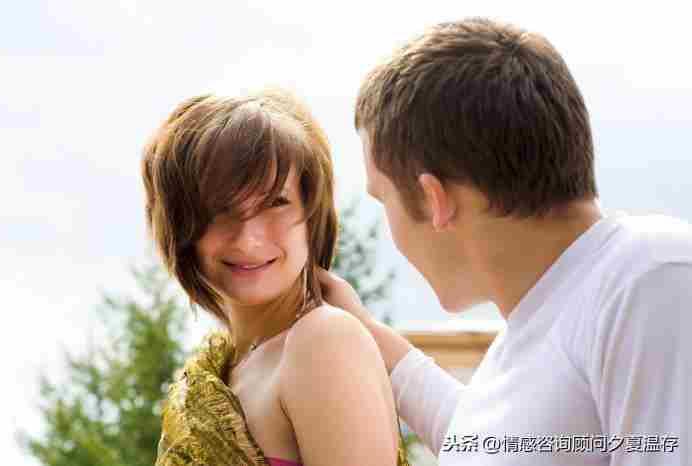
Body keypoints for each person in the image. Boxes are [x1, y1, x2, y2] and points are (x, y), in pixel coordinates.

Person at [317, 17, 690, 466]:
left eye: (383, 199)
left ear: (435, 199)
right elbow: (501, 442)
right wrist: (363, 329)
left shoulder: (652, 279)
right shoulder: (552, 317)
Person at [141, 89, 410, 466]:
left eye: (275, 203)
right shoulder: (226, 366)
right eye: (220, 208)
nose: (247, 238)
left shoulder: (324, 341)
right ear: (179, 225)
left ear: (312, 217)